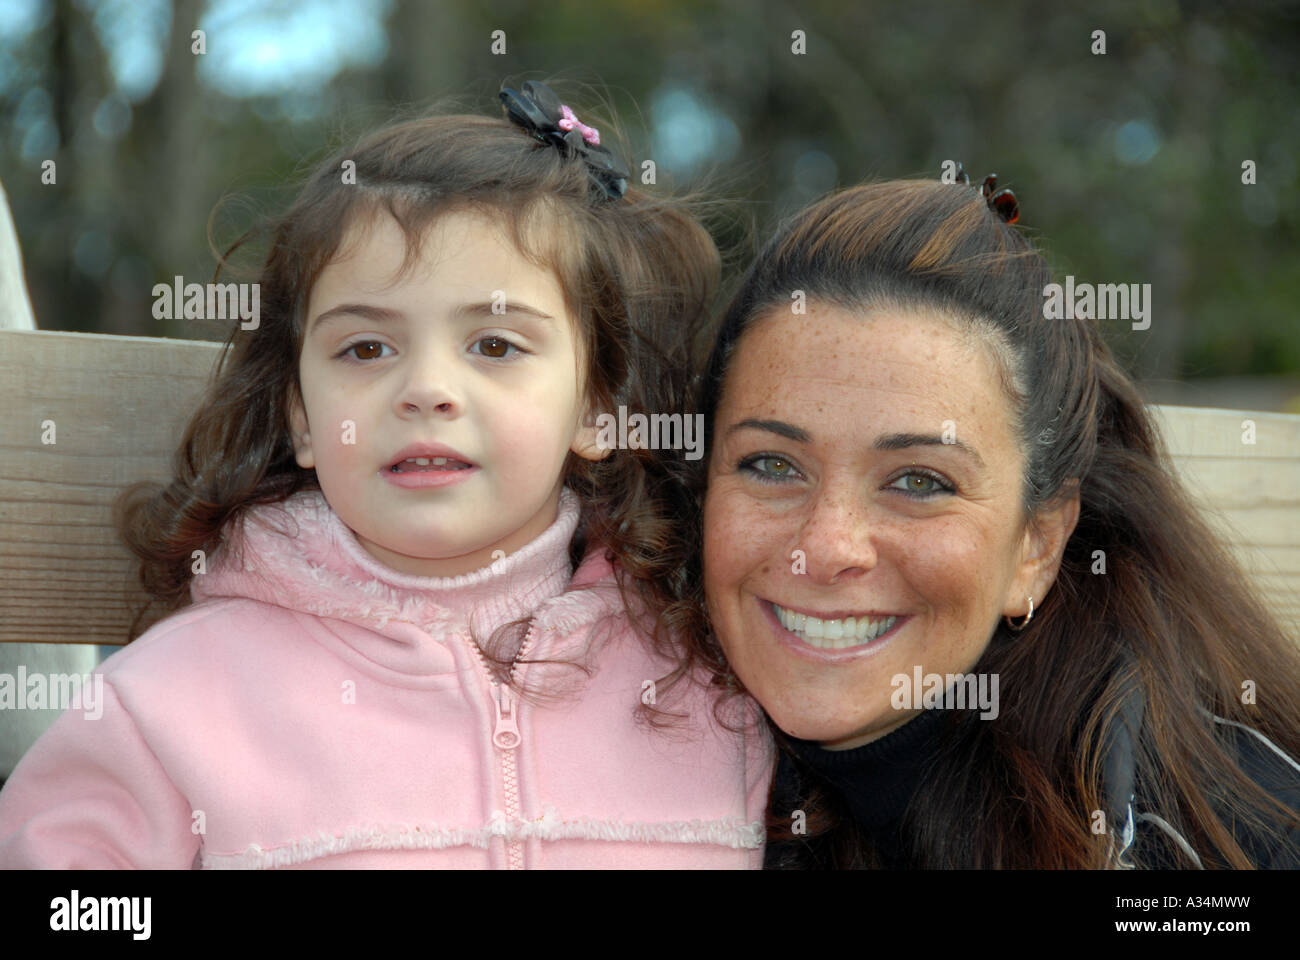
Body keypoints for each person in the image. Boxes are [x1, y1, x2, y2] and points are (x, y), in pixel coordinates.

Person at [0, 81, 772, 869]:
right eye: (366, 349)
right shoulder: (174, 702)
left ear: (596, 408)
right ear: (301, 415)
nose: (426, 388)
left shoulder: (706, 682)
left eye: (496, 346)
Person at [662, 173, 1300, 868]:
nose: (826, 547)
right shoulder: (603, 753)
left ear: (1038, 546)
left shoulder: (1233, 837)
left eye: (919, 481)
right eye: (772, 465)